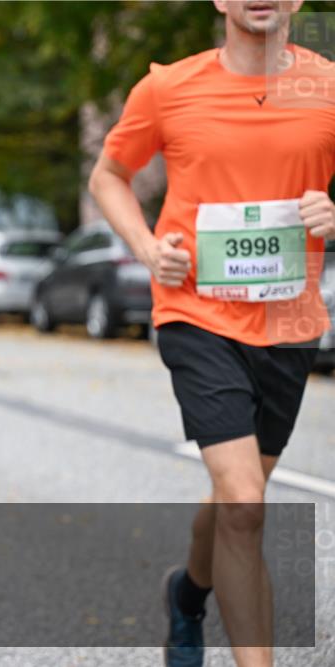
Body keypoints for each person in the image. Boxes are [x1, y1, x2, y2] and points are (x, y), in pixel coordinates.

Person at [88, 2, 334, 666]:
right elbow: (109, 174)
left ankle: (187, 592)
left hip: (288, 321)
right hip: (195, 312)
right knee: (247, 503)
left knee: (236, 493)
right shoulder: (168, 88)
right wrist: (145, 246)